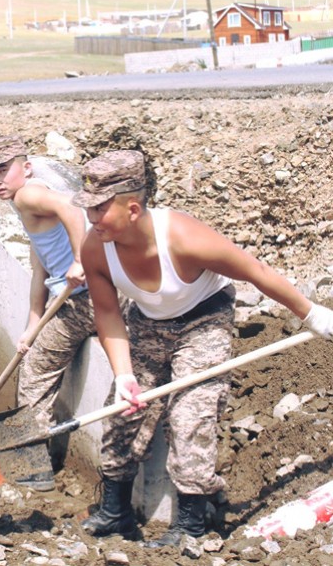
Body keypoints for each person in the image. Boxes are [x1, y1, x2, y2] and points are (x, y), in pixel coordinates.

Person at [73, 150, 333, 546]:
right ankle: (115, 512)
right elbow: (108, 314)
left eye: (100, 209)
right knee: (121, 411)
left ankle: (191, 524)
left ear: (133, 208)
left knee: (191, 413)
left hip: (203, 320)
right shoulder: (96, 248)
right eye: (87, 208)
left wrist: (312, 314)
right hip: (147, 322)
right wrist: (124, 374)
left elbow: (256, 272)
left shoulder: (183, 238)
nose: (91, 219)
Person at [0, 135, 95, 491]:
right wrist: (31, 326)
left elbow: (72, 209)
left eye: (3, 170)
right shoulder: (22, 200)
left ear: (25, 168)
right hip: (80, 296)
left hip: (83, 300)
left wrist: (78, 260)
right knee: (34, 353)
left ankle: (32, 468)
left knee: (35, 375)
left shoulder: (28, 194)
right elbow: (40, 267)